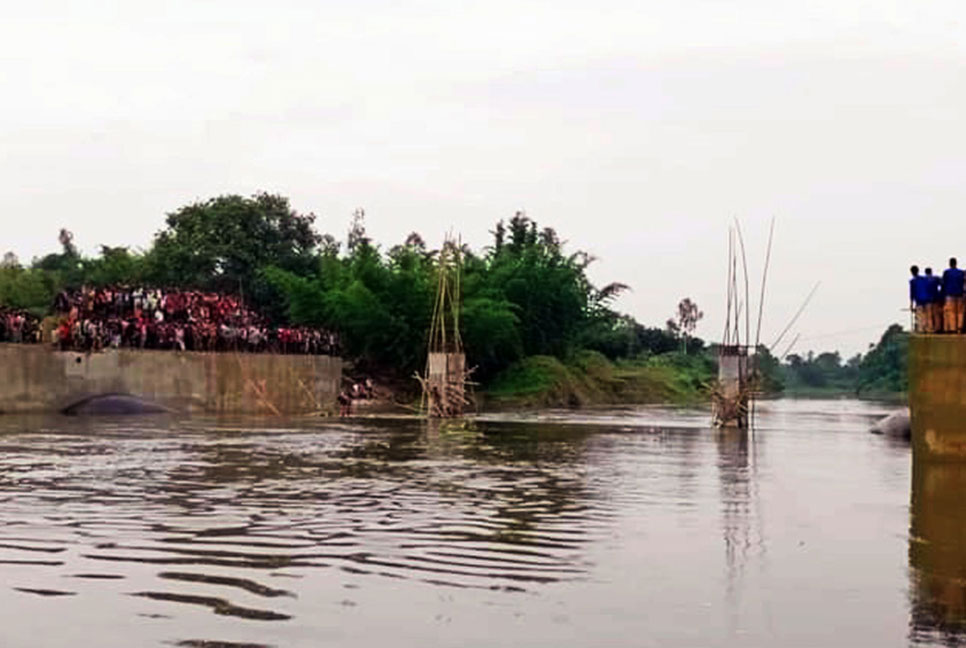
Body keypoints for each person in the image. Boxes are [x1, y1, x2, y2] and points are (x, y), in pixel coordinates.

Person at [943, 258, 966, 333]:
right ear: (956, 263)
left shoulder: (946, 272)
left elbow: (944, 283)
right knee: (960, 312)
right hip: (960, 294)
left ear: (949, 264)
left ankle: (953, 328)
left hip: (949, 294)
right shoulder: (961, 273)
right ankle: (960, 327)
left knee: (951, 312)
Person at [910, 265, 932, 333]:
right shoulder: (924, 279)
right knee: (928, 316)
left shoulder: (913, 281)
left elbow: (912, 293)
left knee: (920, 317)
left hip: (919, 301)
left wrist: (911, 304)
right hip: (927, 299)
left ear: (912, 272)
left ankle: (921, 330)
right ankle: (929, 329)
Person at [925, 268, 943, 333]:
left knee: (929, 315)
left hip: (927, 299)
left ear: (926, 272)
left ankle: (930, 328)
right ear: (931, 272)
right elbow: (942, 283)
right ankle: (937, 328)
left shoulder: (923, 280)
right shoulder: (935, 278)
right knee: (936, 315)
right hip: (936, 298)